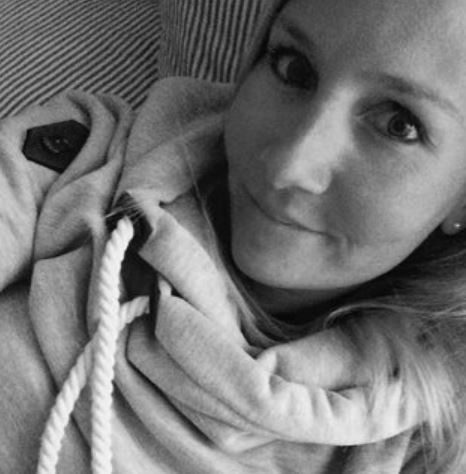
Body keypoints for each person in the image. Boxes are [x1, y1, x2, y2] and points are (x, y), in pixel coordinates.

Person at [1, 0, 466, 472]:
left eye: (398, 125)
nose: (288, 167)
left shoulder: (432, 445)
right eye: (293, 68)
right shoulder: (77, 157)